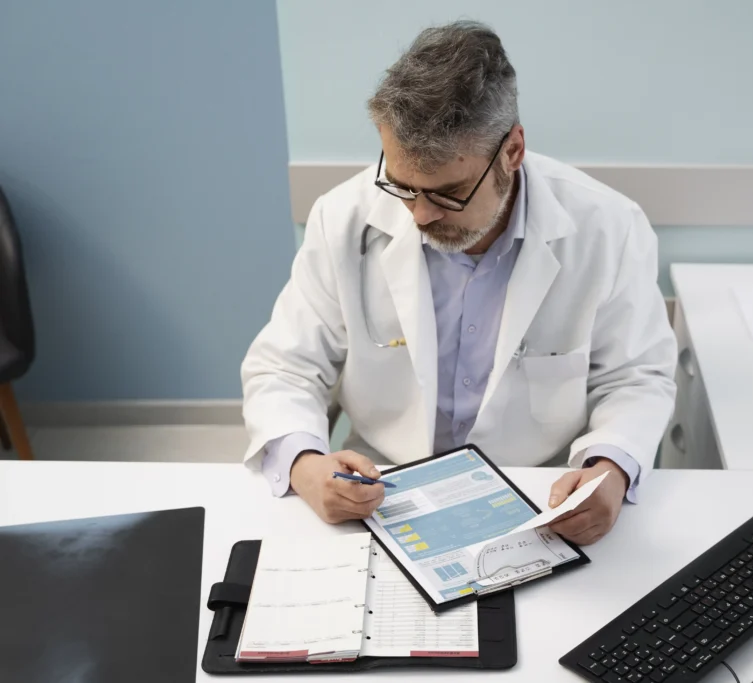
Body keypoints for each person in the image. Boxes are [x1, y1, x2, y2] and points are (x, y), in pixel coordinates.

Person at [241, 21, 676, 546]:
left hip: (537, 492)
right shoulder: (343, 219)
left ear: (512, 152)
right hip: (383, 487)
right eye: (401, 186)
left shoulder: (608, 228)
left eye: (447, 193)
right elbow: (284, 368)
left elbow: (635, 377)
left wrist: (611, 467)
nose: (419, 215)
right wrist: (305, 463)